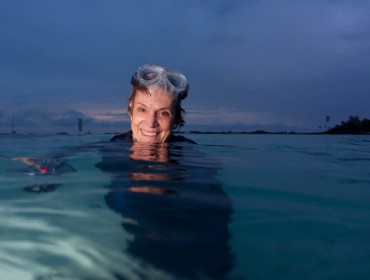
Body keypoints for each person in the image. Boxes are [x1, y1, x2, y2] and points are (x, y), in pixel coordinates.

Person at [110, 64, 196, 144]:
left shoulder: (187, 148)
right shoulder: (114, 146)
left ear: (176, 117)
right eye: (142, 110)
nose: (151, 123)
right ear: (131, 111)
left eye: (163, 113)